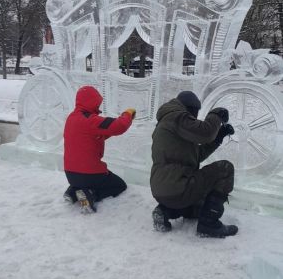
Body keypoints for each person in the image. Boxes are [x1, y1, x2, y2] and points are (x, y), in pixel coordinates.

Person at [150, 91, 238, 238]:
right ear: (190, 108)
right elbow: (206, 133)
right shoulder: (177, 116)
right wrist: (216, 115)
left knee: (199, 206)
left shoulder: (166, 124)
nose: (195, 118)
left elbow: (196, 155)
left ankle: (164, 211)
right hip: (179, 186)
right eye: (195, 113)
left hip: (163, 190)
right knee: (225, 168)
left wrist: (219, 136)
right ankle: (209, 224)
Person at [63, 85, 136, 213]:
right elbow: (119, 126)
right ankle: (91, 195)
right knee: (119, 185)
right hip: (90, 174)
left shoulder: (71, 118)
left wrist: (108, 132)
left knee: (80, 181)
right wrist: (127, 114)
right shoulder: (90, 120)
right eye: (97, 103)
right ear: (91, 102)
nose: (98, 106)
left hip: (70, 174)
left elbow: (91, 136)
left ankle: (73, 192)